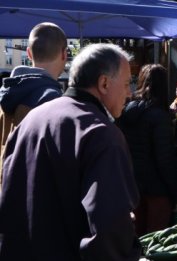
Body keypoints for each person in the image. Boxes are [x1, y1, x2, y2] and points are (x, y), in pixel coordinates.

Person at [0, 43, 141, 260]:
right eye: (126, 84)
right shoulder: (101, 133)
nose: (130, 94)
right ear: (104, 83)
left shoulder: (32, 119)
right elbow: (109, 230)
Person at [117, 64, 177, 236]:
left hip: (133, 185)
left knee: (137, 236)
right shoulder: (159, 116)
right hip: (157, 189)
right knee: (156, 240)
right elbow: (165, 159)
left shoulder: (126, 111)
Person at [0, 22, 67, 188]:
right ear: (64, 54)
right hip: (34, 199)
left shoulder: (4, 95)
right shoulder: (53, 101)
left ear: (29, 53)